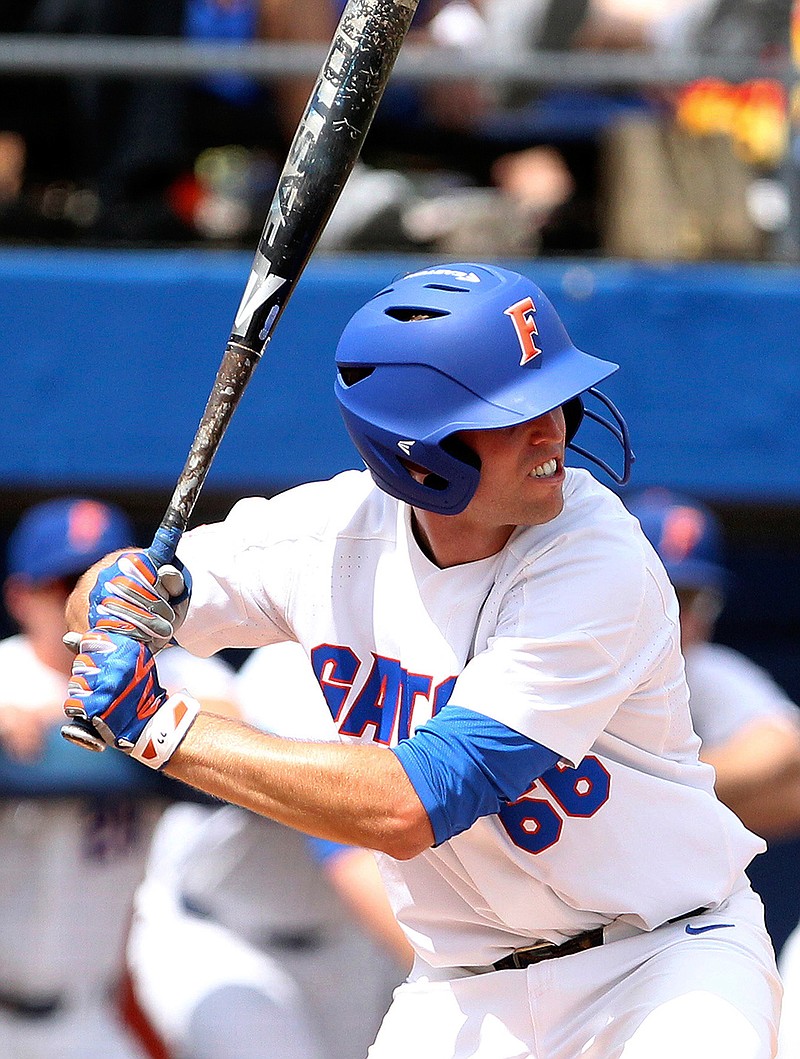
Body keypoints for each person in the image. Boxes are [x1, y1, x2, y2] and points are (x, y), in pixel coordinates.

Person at [62, 262, 781, 1059]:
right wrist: (113, 598)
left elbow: (409, 806)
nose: (553, 431)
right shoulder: (328, 536)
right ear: (418, 448)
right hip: (462, 987)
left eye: (555, 398)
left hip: (662, 965)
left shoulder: (597, 558)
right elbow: (102, 597)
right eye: (512, 413)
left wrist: (160, 727)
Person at [0, 496, 238, 1059]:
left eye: (107, 586)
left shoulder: (168, 673)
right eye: (64, 587)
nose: (89, 606)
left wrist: (93, 716)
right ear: (20, 596)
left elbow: (239, 723)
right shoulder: (6, 673)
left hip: (89, 1015)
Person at [126, 641, 412, 1059]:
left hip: (344, 944)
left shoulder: (426, 656)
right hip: (223, 938)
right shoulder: (292, 666)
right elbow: (348, 855)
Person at [623, 487, 800, 841]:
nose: (681, 618)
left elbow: (781, 747)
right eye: (666, 593)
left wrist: (654, 790)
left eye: (694, 600)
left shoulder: (697, 667)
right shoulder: (556, 654)